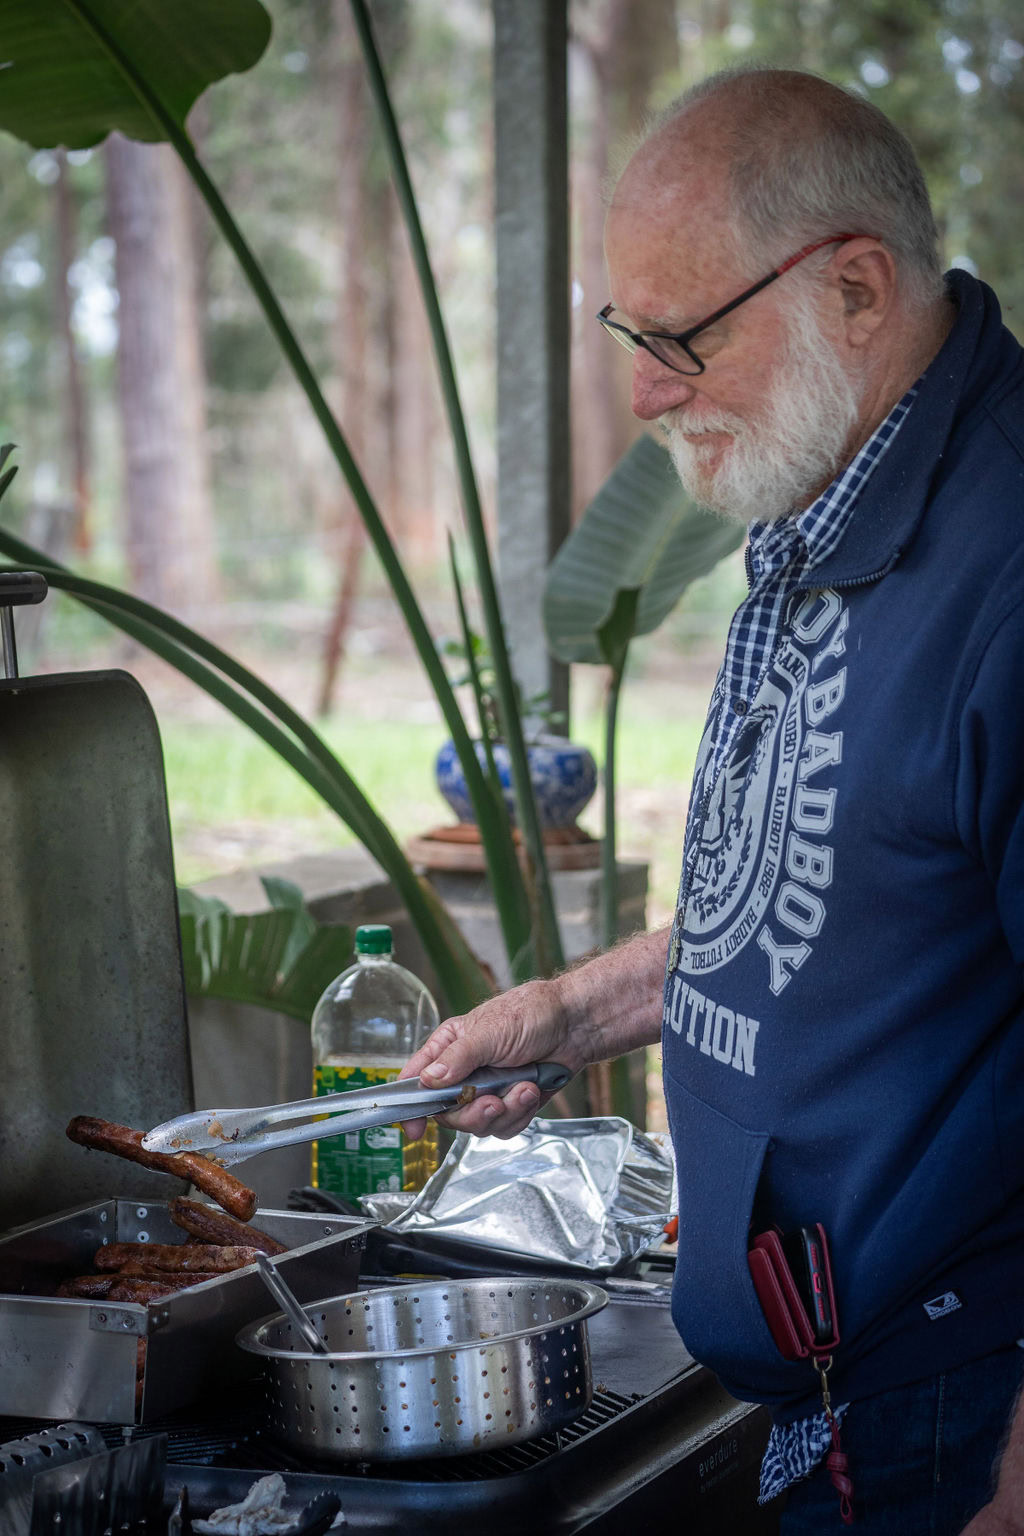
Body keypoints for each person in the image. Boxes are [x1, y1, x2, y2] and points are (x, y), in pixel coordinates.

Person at [402, 66, 1024, 1534]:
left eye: (683, 338)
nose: (644, 393)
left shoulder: (1005, 566)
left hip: (962, 1417)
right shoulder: (827, 494)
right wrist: (572, 1013)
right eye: (632, 334)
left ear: (856, 289)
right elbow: (842, 904)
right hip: (839, 1395)